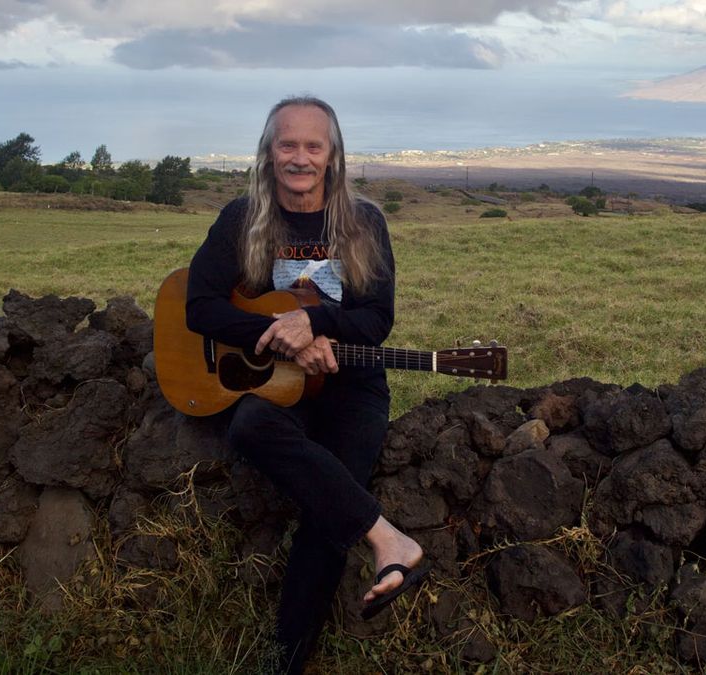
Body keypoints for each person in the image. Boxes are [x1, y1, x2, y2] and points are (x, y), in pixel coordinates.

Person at [185, 96, 429, 673]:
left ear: (333, 155)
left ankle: (286, 661)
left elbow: (375, 321)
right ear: (270, 153)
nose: (300, 158)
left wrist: (313, 321)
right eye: (287, 144)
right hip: (279, 381)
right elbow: (197, 307)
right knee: (249, 424)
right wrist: (279, 334)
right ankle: (388, 540)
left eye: (312, 146)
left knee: (326, 510)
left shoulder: (363, 222)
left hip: (352, 385)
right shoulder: (240, 219)